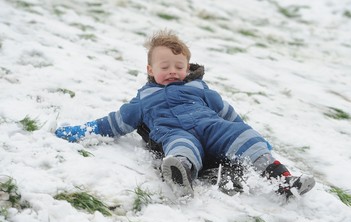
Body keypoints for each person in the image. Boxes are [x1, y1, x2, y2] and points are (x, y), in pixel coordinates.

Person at [55, 30, 315, 198]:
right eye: (164, 66)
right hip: (173, 131)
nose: (172, 71)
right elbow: (115, 121)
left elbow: (227, 113)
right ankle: (183, 173)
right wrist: (84, 130)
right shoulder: (144, 100)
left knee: (239, 133)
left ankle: (282, 180)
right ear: (150, 69)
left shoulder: (200, 88)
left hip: (210, 127)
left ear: (187, 67)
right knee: (181, 146)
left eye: (178, 66)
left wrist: (249, 136)